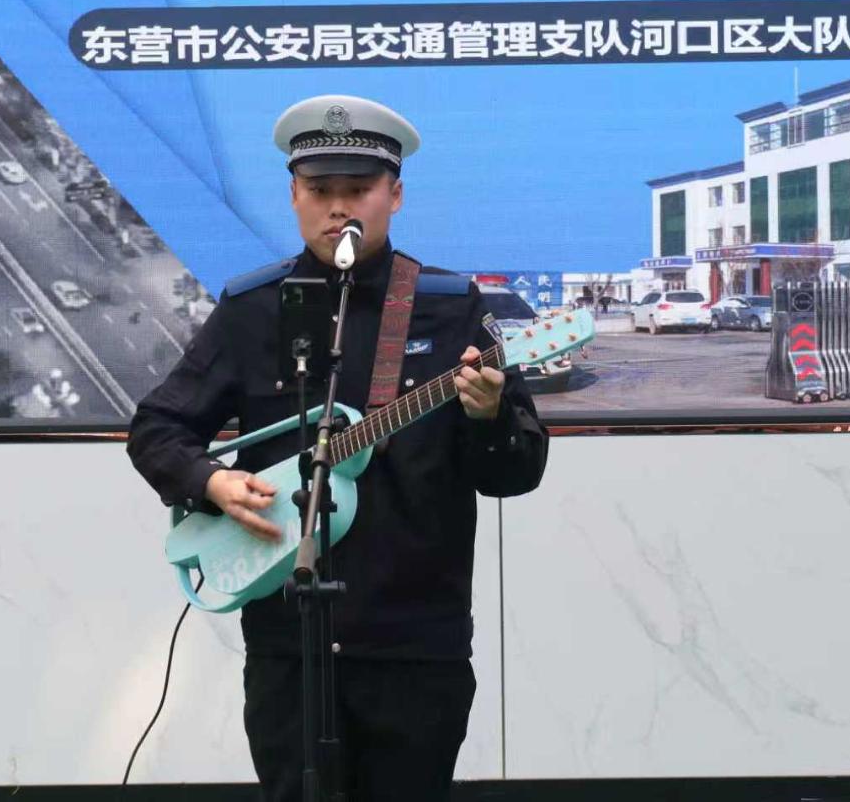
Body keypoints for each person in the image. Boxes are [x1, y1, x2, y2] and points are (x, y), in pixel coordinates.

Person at [127, 95, 550, 801]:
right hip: (288, 645)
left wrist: (489, 414)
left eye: (358, 189)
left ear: (395, 195)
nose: (338, 208)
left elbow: (517, 470)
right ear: (294, 194)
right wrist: (213, 483)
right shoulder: (254, 308)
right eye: (320, 189)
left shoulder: (451, 308)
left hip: (416, 645)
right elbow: (157, 428)